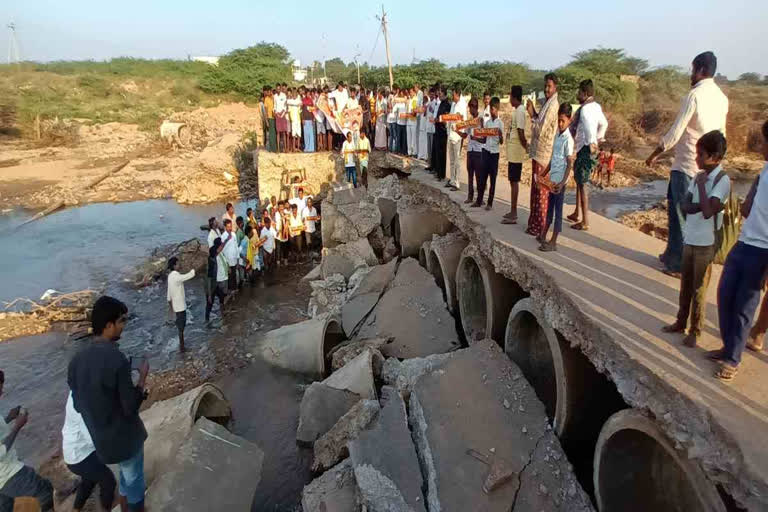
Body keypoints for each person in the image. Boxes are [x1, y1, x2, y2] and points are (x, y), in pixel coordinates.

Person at [646, 52, 728, 277]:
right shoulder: (722, 98)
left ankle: (679, 265)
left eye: (693, 70)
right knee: (678, 211)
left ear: (700, 70)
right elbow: (722, 135)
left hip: (685, 165)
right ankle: (672, 254)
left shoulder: (694, 96)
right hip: (704, 166)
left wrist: (655, 153)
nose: (691, 74)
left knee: (680, 215)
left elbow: (676, 131)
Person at [68, 296, 148, 512]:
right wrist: (141, 379)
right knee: (134, 483)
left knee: (125, 477)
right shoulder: (117, 359)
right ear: (108, 325)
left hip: (101, 443)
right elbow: (130, 407)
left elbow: (77, 405)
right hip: (126, 440)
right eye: (121, 321)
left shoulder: (76, 361)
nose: (123, 326)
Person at [711, 120, 768, 382]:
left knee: (745, 305)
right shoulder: (763, 172)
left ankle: (733, 359)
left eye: (764, 141)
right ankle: (727, 346)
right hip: (745, 242)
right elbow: (747, 209)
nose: (761, 145)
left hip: (762, 251)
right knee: (725, 295)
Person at [662, 131, 729, 349]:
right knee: (685, 284)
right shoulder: (700, 176)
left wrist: (701, 188)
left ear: (715, 157)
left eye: (701, 155)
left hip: (706, 243)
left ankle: (696, 329)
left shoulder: (721, 180)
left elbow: (709, 212)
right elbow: (685, 205)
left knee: (699, 288)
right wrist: (703, 204)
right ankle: (681, 322)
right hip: (690, 238)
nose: (696, 158)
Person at [0, 371, 54, 512]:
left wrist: (8, 418)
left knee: (5, 507)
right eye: (0, 387)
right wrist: (18, 426)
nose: (2, 391)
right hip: (7, 472)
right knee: (46, 491)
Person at [62, 389, 116, 512]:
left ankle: (76, 509)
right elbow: (93, 438)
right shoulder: (82, 407)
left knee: (89, 480)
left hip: (76, 450)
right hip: (79, 456)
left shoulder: (76, 391)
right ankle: (105, 509)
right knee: (108, 481)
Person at [567, 79, 608, 231]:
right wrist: (599, 138)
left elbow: (590, 127)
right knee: (579, 180)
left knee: (582, 183)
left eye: (579, 92)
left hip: (585, 148)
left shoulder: (585, 110)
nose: (577, 94)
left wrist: (592, 142)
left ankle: (585, 221)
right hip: (584, 147)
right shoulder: (596, 106)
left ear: (584, 93)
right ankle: (577, 212)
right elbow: (604, 124)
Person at [526, 73, 560, 238]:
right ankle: (534, 223)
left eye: (549, 86)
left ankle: (540, 226)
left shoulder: (553, 106)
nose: (547, 89)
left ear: (555, 88)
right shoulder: (548, 103)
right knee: (535, 189)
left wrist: (532, 114)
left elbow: (541, 128)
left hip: (544, 154)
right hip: (539, 152)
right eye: (545, 86)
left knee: (541, 191)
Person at [538, 103, 575, 252]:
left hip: (559, 182)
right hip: (552, 180)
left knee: (558, 212)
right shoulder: (557, 136)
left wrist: (562, 182)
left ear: (569, 120)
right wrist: (542, 174)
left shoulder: (568, 140)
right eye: (558, 120)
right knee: (549, 209)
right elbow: (553, 159)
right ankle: (543, 235)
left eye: (563, 121)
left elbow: (569, 164)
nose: (560, 124)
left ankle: (553, 242)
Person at [503, 85, 529, 225]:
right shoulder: (517, 111)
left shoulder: (520, 111)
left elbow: (520, 132)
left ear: (514, 97)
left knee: (514, 181)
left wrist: (526, 147)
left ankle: (514, 213)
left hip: (516, 151)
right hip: (513, 151)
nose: (509, 99)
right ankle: (512, 210)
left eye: (510, 97)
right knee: (512, 180)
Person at [475, 97, 503, 210]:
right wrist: (476, 138)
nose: (491, 112)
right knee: (482, 177)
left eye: (493, 109)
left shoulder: (500, 123)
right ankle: (479, 200)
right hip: (486, 151)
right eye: (490, 109)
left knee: (493, 179)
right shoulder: (487, 123)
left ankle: (490, 203)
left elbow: (501, 142)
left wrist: (500, 135)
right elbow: (484, 139)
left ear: (497, 109)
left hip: (494, 153)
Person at [166, 256, 195, 352]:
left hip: (175, 306)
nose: (180, 265)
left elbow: (169, 294)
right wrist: (193, 269)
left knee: (180, 327)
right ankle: (182, 347)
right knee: (181, 328)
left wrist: (170, 306)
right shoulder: (176, 276)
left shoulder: (170, 276)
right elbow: (188, 276)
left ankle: (181, 345)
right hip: (180, 306)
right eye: (178, 263)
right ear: (174, 266)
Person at [461, 98, 484, 204]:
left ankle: (480, 199)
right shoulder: (470, 121)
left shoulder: (481, 120)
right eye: (470, 108)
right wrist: (457, 131)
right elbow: (465, 135)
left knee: (479, 176)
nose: (470, 110)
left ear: (475, 107)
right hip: (470, 150)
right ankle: (470, 196)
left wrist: (476, 138)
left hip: (479, 151)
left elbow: (484, 139)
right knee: (470, 175)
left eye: (471, 108)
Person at [446, 87, 467, 191]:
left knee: (457, 161)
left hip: (458, 136)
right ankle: (452, 179)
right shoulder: (454, 104)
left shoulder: (462, 104)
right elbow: (450, 117)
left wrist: (460, 134)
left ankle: (457, 182)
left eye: (453, 95)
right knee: (452, 160)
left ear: (458, 94)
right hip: (451, 134)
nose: (452, 97)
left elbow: (463, 121)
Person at [205, 237, 228, 322]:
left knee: (221, 296)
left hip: (215, 284)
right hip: (210, 287)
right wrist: (210, 294)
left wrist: (226, 240)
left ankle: (222, 311)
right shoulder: (212, 264)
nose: (218, 251)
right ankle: (207, 319)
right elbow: (208, 280)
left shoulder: (213, 258)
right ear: (215, 254)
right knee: (209, 304)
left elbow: (220, 248)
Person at [433, 86, 451, 182]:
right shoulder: (441, 103)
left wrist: (438, 119)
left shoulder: (447, 104)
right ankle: (438, 172)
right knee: (438, 153)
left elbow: (446, 118)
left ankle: (441, 174)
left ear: (444, 94)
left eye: (440, 94)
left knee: (442, 153)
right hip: (437, 130)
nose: (438, 95)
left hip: (443, 131)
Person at [221, 219, 239, 291]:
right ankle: (229, 291)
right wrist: (226, 263)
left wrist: (237, 259)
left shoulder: (234, 234)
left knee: (233, 275)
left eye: (231, 226)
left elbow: (236, 247)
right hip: (227, 261)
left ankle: (234, 289)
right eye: (228, 227)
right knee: (228, 277)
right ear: (225, 227)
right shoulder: (223, 237)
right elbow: (222, 251)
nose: (230, 228)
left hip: (234, 259)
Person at [425, 88, 437, 169]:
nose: (431, 96)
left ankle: (433, 165)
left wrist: (431, 109)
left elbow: (434, 114)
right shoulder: (428, 103)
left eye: (433, 94)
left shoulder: (436, 103)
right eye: (430, 94)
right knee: (429, 148)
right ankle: (429, 164)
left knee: (433, 148)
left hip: (433, 128)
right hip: (428, 127)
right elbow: (425, 114)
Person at [274, 83, 288, 152]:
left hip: (283, 115)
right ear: (276, 89)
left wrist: (282, 112)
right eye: (277, 89)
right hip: (277, 115)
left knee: (284, 132)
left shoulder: (284, 95)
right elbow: (275, 106)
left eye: (279, 89)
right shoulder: (275, 96)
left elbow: (285, 106)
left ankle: (285, 148)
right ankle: (279, 149)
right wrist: (276, 112)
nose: (278, 90)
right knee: (278, 132)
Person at [301, 87, 316, 153]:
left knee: (310, 134)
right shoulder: (303, 100)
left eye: (309, 94)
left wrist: (313, 119)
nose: (308, 95)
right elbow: (302, 111)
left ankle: (311, 148)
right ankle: (306, 148)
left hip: (310, 119)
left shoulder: (311, 101)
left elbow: (313, 111)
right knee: (306, 134)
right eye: (307, 94)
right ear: (305, 94)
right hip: (305, 119)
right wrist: (302, 119)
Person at [264, 87, 277, 152]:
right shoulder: (266, 99)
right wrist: (266, 120)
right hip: (270, 118)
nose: (270, 93)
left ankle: (276, 148)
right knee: (271, 134)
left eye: (270, 92)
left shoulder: (275, 98)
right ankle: (272, 148)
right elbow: (266, 111)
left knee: (275, 133)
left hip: (276, 117)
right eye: (269, 92)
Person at [395, 88, 408, 155]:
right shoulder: (398, 102)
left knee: (404, 138)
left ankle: (404, 151)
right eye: (401, 93)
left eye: (403, 93)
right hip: (399, 122)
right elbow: (394, 110)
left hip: (405, 122)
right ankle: (398, 150)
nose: (402, 94)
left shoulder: (407, 102)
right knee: (399, 137)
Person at [407, 88, 419, 157]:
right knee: (409, 137)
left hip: (413, 120)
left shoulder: (415, 99)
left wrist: (411, 113)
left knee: (413, 137)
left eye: (411, 92)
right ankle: (409, 152)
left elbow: (414, 111)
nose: (410, 93)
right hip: (408, 120)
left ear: (414, 92)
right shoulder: (409, 100)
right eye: (410, 92)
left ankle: (414, 152)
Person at [387, 87, 398, 152]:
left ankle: (395, 148)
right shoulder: (390, 96)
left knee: (395, 134)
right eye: (393, 90)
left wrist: (392, 103)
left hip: (394, 118)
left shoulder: (397, 98)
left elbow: (394, 107)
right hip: (389, 118)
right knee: (391, 134)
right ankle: (390, 148)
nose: (393, 91)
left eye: (394, 90)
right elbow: (388, 106)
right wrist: (389, 103)